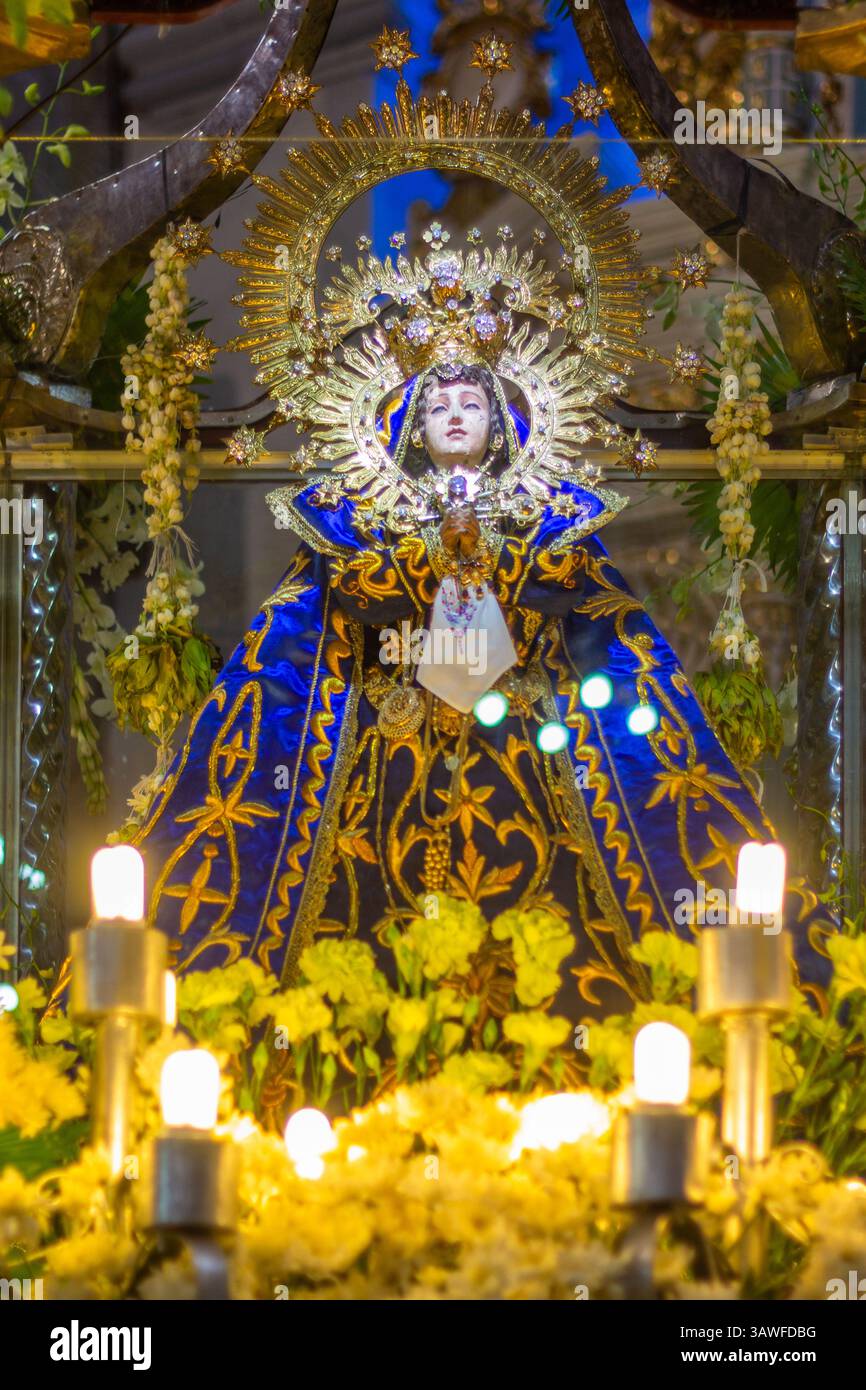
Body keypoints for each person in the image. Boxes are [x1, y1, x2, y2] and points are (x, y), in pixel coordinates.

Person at [135, 343, 823, 1018]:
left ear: (501, 424)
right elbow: (353, 589)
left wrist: (490, 546)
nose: (456, 415)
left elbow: (567, 581)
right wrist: (432, 550)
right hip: (389, 737)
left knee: (551, 900)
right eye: (438, 406)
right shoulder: (363, 509)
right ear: (411, 426)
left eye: (472, 403)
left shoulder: (541, 507)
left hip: (525, 733)